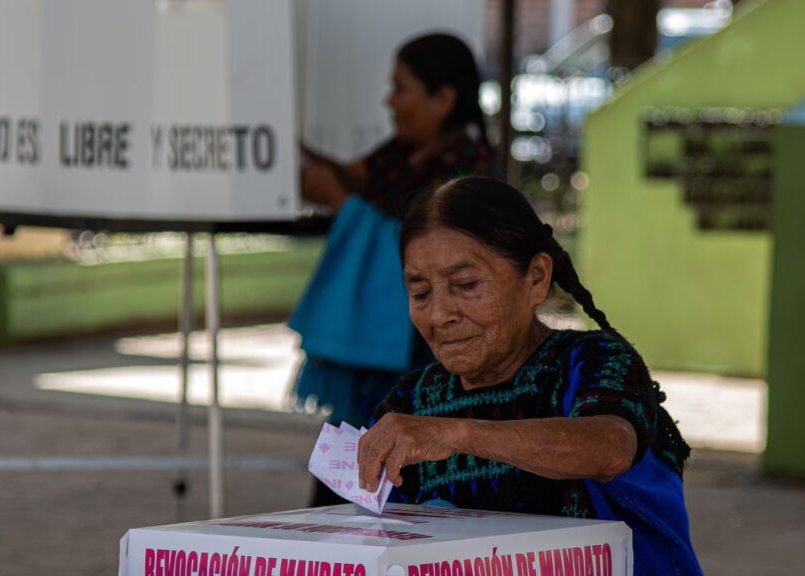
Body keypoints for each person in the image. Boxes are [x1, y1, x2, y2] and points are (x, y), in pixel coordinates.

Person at [356, 176, 702, 575]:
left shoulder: (593, 361)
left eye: (466, 285)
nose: (439, 314)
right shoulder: (411, 401)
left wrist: (454, 433)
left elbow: (610, 448)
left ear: (536, 277)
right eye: (420, 293)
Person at [289, 33, 497, 505]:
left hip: (416, 357)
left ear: (443, 98)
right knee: (344, 482)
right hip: (373, 362)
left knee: (395, 479)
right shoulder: (402, 152)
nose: (390, 101)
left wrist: (338, 201)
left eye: (401, 88)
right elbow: (354, 177)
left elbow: (426, 247)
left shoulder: (467, 168)